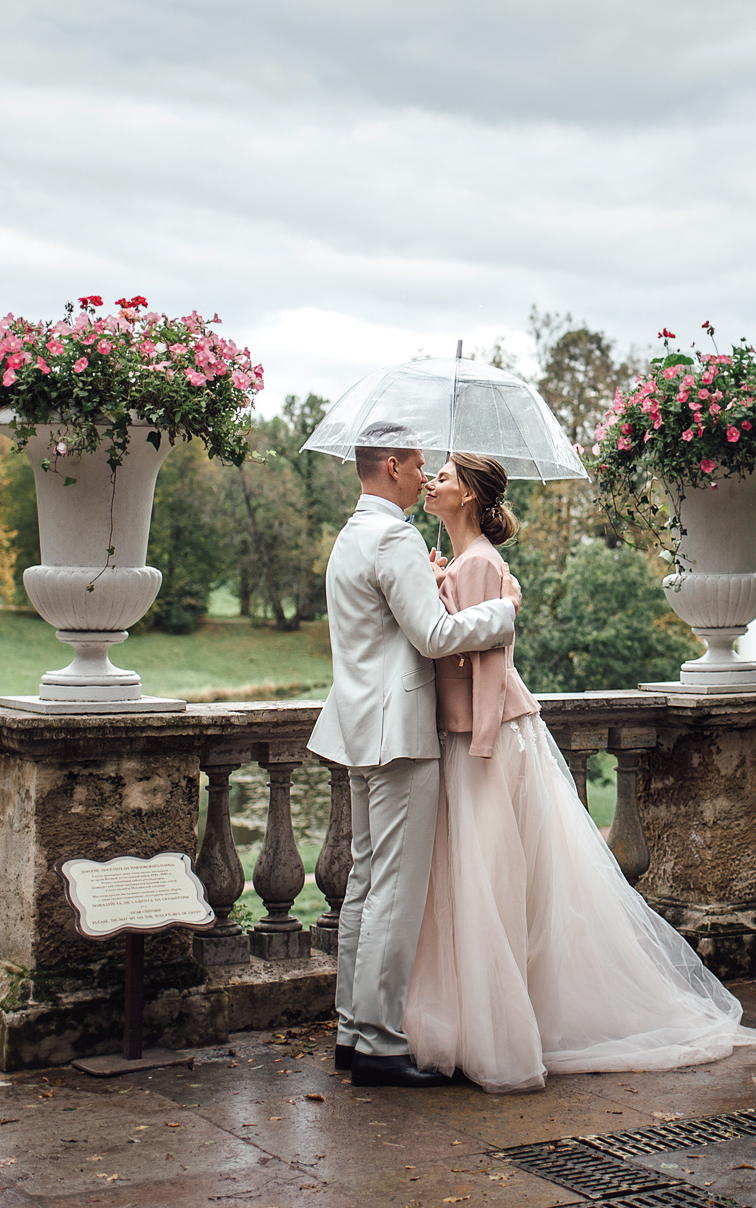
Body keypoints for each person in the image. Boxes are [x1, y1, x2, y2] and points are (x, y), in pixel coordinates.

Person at [403, 451, 756, 1093]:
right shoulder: (464, 563)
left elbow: (487, 665)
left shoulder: (481, 561)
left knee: (490, 880)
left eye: (444, 476)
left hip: (483, 737)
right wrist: (438, 583)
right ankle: (478, 1018)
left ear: (468, 496)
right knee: (480, 881)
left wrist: (479, 741)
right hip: (470, 733)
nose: (431, 481)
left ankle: (495, 1030)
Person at [307, 425, 523, 1089]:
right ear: (393, 466)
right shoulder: (394, 537)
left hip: (358, 730)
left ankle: (351, 1031)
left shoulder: (351, 534)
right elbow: (432, 636)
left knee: (365, 884)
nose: (425, 476)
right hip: (399, 734)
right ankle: (378, 1044)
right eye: (420, 465)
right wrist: (503, 614)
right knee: (394, 894)